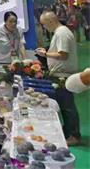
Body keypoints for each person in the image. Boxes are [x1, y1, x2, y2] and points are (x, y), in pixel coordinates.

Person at [36, 11, 81, 146]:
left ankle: (74, 135)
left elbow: (63, 55)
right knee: (64, 105)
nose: (44, 27)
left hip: (63, 75)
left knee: (67, 106)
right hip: (60, 74)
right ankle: (68, 131)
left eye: (44, 24)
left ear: (50, 21)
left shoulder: (61, 33)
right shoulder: (61, 32)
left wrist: (46, 54)